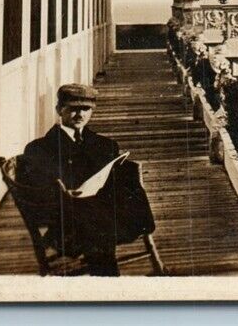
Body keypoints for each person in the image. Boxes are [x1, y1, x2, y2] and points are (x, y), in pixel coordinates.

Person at [19, 83, 155, 275]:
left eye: (86, 109)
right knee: (99, 225)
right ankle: (106, 278)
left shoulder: (104, 145)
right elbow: (37, 187)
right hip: (66, 218)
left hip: (98, 213)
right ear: (59, 110)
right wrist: (62, 191)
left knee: (127, 172)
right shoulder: (40, 148)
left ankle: (106, 270)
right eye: (73, 109)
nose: (80, 115)